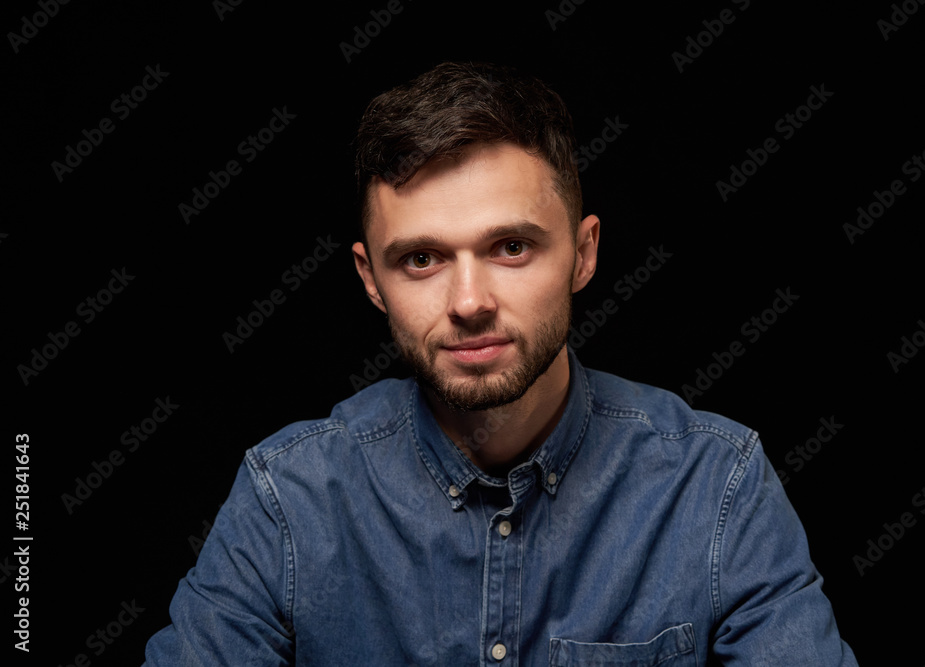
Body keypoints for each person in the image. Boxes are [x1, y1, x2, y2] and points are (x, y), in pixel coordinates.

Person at [144, 61, 857, 665]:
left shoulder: (715, 487)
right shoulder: (289, 502)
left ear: (583, 253)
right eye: (421, 258)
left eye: (511, 247)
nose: (469, 301)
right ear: (370, 280)